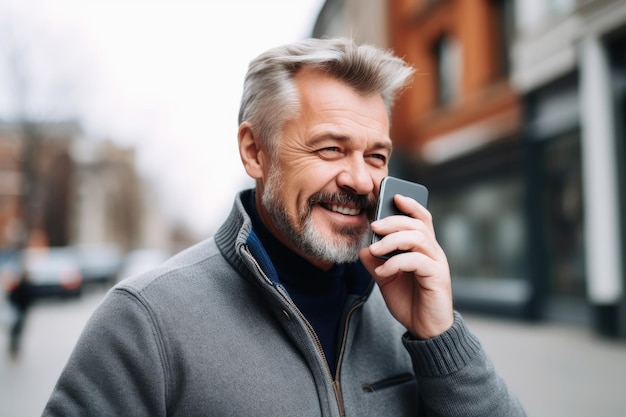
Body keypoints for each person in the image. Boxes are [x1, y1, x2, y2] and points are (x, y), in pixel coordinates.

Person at [43, 37, 526, 416]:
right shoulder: (144, 321)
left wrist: (440, 337)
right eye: (330, 149)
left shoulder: (404, 312)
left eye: (376, 156)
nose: (360, 180)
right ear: (255, 152)